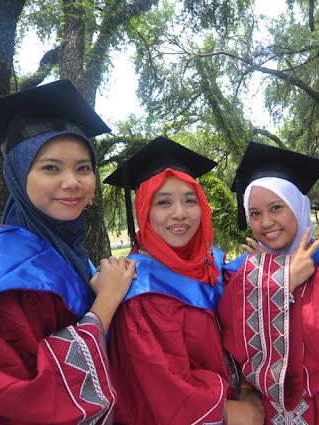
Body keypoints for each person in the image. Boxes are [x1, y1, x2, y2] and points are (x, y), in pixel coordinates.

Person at [0, 80, 137, 425]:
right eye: (51, 167)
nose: (73, 182)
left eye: (84, 168)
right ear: (17, 172)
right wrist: (105, 304)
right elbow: (14, 400)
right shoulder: (0, 277)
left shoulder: (66, 248)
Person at [218, 141, 319, 425]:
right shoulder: (240, 272)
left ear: (298, 205)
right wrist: (280, 275)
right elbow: (234, 342)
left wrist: (270, 281)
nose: (265, 222)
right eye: (255, 213)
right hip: (269, 411)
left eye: (276, 207)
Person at [103, 136, 265, 425]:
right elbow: (161, 389)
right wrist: (241, 412)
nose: (180, 213)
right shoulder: (138, 289)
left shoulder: (211, 264)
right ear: (144, 210)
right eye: (163, 202)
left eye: (190, 200)